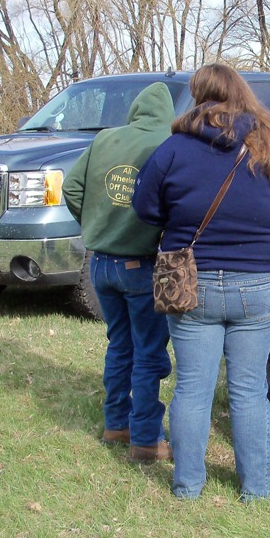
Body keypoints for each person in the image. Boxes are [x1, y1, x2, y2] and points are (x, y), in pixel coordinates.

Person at [132, 63, 270, 501]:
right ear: (241, 93)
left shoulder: (174, 148)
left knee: (193, 386)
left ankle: (188, 486)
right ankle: (257, 486)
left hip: (191, 283)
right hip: (257, 282)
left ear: (197, 96)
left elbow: (145, 207)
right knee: (249, 387)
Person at [62, 82, 174, 463]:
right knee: (147, 352)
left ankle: (116, 424)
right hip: (140, 265)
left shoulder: (105, 139)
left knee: (119, 345)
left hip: (100, 263)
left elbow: (72, 188)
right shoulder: (166, 142)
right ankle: (146, 438)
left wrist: (95, 225)